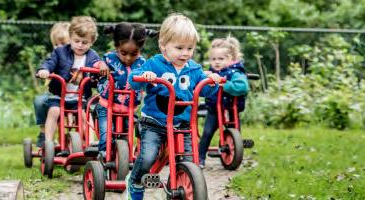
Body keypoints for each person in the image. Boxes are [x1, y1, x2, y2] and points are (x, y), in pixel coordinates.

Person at [126, 13, 221, 200]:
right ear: (163, 46)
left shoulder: (194, 69)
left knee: (188, 161)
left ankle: (179, 187)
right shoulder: (154, 64)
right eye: (179, 48)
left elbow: (205, 91)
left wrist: (212, 82)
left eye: (190, 48)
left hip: (183, 124)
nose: (185, 53)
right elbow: (133, 80)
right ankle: (135, 182)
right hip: (154, 122)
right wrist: (144, 77)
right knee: (148, 157)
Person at [36, 16, 109, 154]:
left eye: (84, 42)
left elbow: (98, 64)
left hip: (80, 98)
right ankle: (49, 143)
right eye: (76, 41)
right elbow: (50, 62)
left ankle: (90, 143)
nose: (80, 45)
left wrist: (102, 65)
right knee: (54, 111)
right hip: (59, 95)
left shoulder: (92, 55)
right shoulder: (60, 52)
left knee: (85, 114)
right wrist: (44, 70)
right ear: (70, 38)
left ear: (92, 42)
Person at [95, 22, 157, 159]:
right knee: (107, 133)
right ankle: (103, 155)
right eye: (124, 53)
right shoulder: (109, 59)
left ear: (140, 49)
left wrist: (149, 76)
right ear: (117, 46)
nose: (128, 58)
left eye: (133, 54)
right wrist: (101, 65)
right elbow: (96, 63)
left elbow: (150, 75)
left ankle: (124, 158)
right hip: (107, 106)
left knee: (127, 136)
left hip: (129, 108)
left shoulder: (142, 63)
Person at [198, 35, 250, 168]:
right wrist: (205, 79)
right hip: (214, 109)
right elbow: (201, 86)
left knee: (235, 132)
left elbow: (243, 87)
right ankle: (200, 158)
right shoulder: (211, 73)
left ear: (230, 59)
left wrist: (225, 84)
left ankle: (235, 152)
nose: (216, 62)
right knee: (207, 133)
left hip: (231, 108)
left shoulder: (235, 72)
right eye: (213, 59)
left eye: (221, 59)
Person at [33, 22, 71, 148]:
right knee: (40, 101)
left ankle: (78, 138)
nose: (59, 48)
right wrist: (44, 71)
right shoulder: (54, 58)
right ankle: (44, 132)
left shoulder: (77, 59)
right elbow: (47, 65)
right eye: (56, 44)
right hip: (54, 95)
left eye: (63, 44)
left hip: (74, 96)